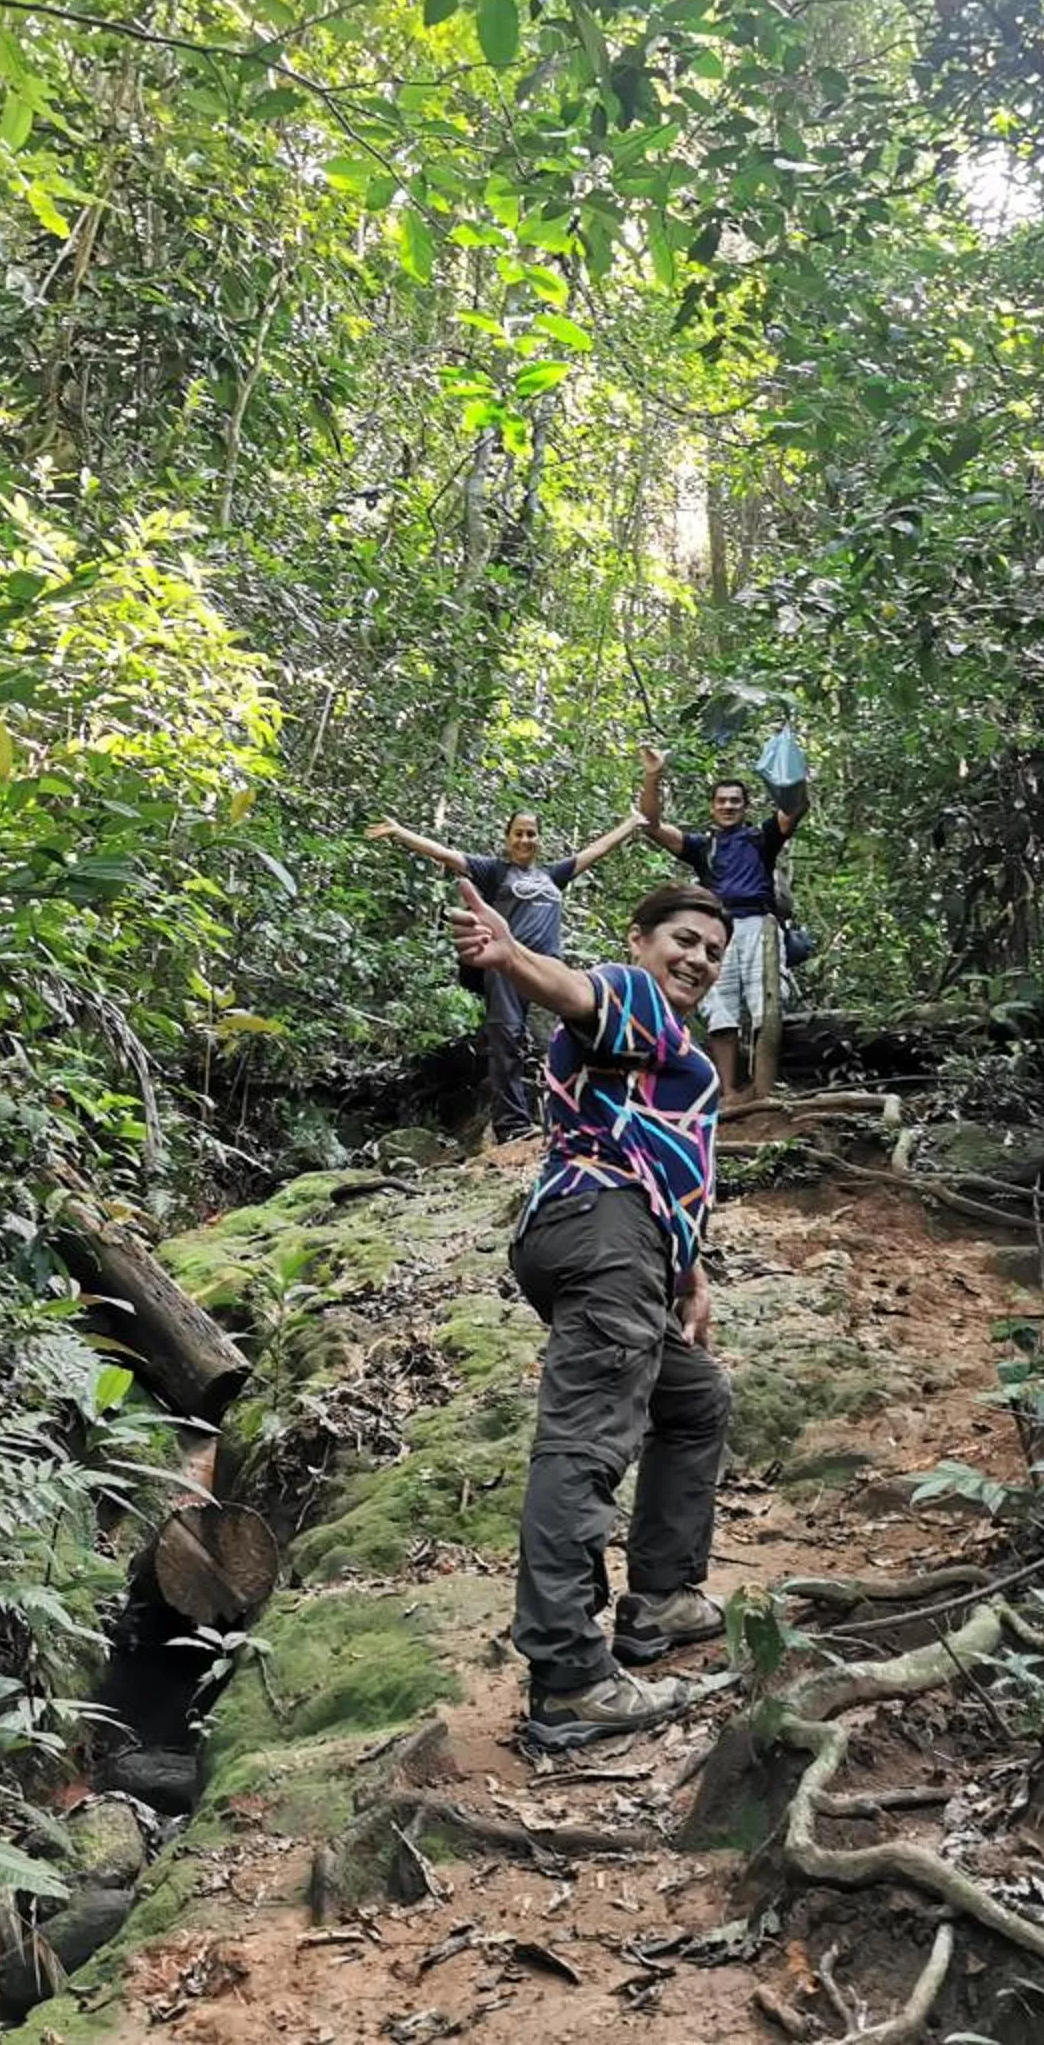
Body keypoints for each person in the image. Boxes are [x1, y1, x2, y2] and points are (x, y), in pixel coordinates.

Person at [448, 872, 739, 1749]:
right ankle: (570, 1676)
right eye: (682, 939)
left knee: (693, 1400)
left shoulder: (662, 1043)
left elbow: (663, 1157)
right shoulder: (631, 994)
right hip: (604, 1232)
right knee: (586, 1443)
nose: (696, 959)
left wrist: (688, 1272)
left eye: (712, 952)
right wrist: (515, 958)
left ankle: (659, 1599)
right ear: (641, 940)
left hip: (617, 1236)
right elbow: (578, 990)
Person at [368, 808, 644, 1140]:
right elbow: (444, 854)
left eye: (531, 833)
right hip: (508, 967)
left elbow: (597, 850)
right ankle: (511, 1126)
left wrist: (631, 823)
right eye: (519, 833)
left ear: (539, 839)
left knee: (569, 1038)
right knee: (507, 1039)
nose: (525, 840)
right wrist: (400, 832)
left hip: (549, 969)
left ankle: (577, 1119)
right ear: (507, 838)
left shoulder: (552, 875)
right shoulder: (493, 871)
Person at [634, 744, 811, 1102]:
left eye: (735, 801)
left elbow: (794, 810)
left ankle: (763, 1090)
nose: (728, 806)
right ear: (712, 807)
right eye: (722, 801)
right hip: (718, 932)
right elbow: (650, 825)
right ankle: (729, 1092)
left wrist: (791, 773)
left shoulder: (761, 837)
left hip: (759, 926)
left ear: (745, 807)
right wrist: (653, 774)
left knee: (766, 1005)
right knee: (720, 1008)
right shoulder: (704, 845)